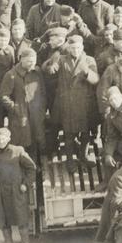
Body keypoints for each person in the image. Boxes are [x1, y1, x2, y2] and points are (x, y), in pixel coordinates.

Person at [43, 34, 99, 173]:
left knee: (85, 133)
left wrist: (87, 73)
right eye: (72, 48)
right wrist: (50, 66)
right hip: (67, 103)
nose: (75, 50)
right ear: (68, 48)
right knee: (68, 134)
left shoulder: (89, 60)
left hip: (84, 104)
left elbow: (96, 79)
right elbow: (47, 69)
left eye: (78, 48)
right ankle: (69, 159)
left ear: (82, 47)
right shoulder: (61, 59)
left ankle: (83, 155)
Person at [0, 47, 47, 160]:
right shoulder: (11, 75)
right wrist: (15, 108)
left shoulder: (37, 71)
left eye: (34, 61)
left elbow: (43, 91)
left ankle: (33, 163)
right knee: (22, 140)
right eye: (29, 61)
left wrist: (42, 106)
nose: (32, 64)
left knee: (35, 138)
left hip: (36, 113)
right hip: (20, 115)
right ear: (22, 60)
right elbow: (3, 96)